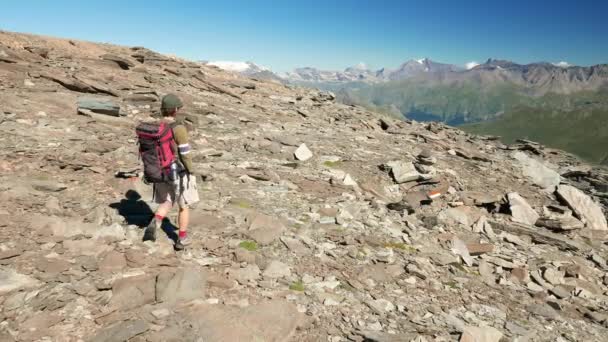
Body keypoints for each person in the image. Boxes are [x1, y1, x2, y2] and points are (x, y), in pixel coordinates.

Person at [143, 94, 199, 251]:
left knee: (167, 200)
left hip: (159, 170)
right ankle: (181, 239)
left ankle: (156, 221)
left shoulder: (156, 126)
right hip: (176, 171)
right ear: (175, 110)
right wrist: (191, 170)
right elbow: (184, 153)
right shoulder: (178, 128)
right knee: (184, 205)